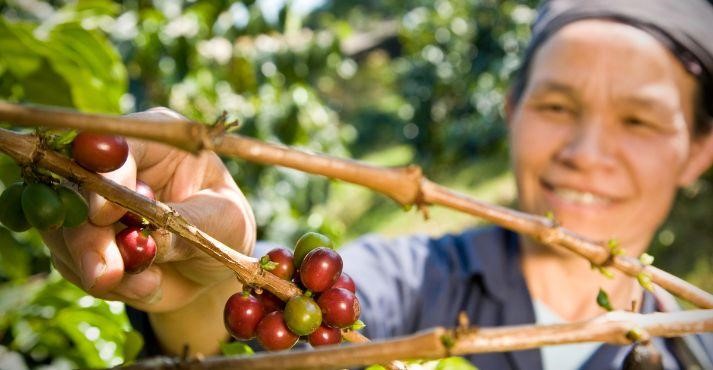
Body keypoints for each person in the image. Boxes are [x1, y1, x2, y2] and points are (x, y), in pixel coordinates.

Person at [40, 0, 713, 369]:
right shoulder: (416, 283)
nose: (586, 153)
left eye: (638, 120)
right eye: (556, 107)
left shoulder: (695, 345)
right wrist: (210, 281)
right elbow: (257, 338)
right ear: (511, 113)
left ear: (698, 151)